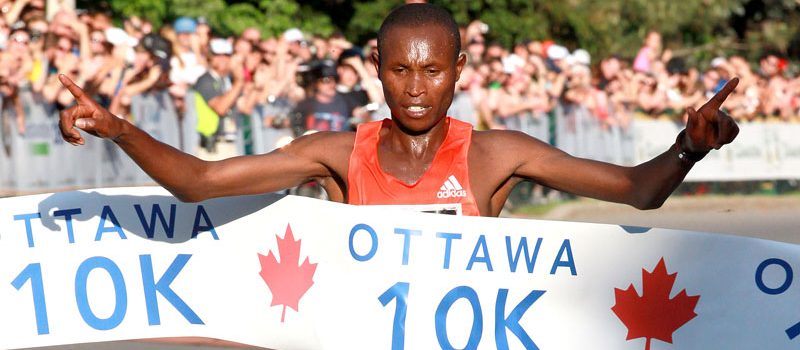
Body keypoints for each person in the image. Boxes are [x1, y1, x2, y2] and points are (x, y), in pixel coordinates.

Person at [57, 3, 739, 218]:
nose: (416, 88)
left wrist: (690, 147)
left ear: (459, 72)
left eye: (433, 70)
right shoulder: (333, 152)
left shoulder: (495, 154)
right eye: (400, 70)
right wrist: (120, 128)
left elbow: (638, 191)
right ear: (377, 71)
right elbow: (199, 184)